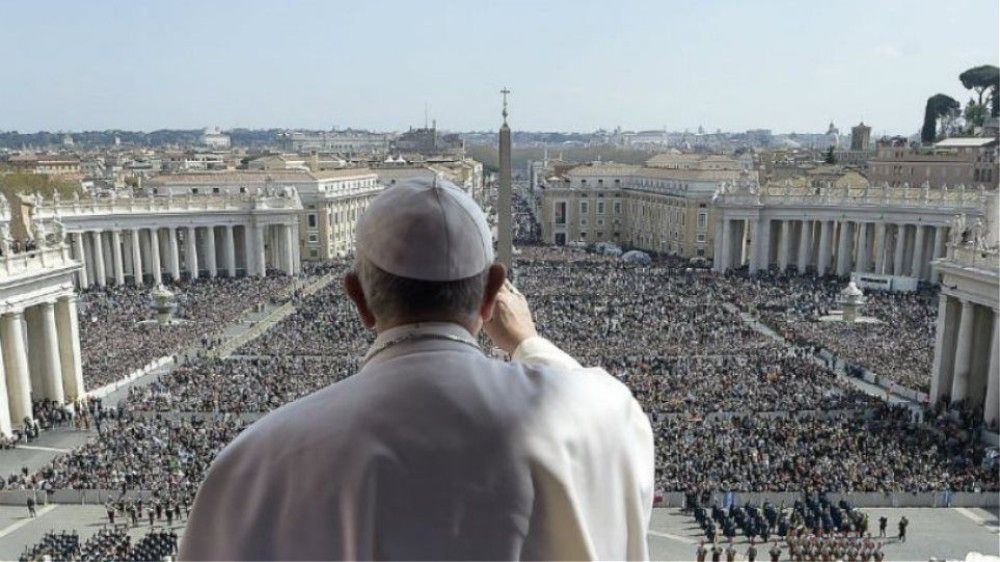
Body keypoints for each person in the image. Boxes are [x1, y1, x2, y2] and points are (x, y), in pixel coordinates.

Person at [179, 178, 654, 560]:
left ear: (358, 299)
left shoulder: (254, 465)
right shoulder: (601, 415)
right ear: (492, 294)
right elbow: (600, 408)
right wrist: (528, 343)